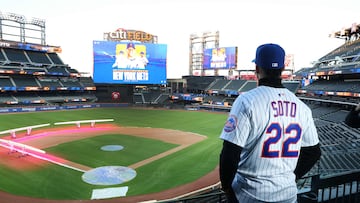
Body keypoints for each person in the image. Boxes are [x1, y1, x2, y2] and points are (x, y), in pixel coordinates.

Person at [219, 43, 321, 203]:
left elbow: (230, 153)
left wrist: (226, 188)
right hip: (287, 196)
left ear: (257, 69)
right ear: (282, 69)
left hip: (249, 195)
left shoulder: (247, 101)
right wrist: (290, 177)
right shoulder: (302, 107)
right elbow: (313, 152)